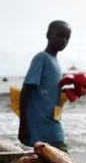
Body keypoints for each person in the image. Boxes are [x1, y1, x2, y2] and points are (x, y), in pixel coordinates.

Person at [18, 20, 71, 152]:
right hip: (40, 128)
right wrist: (23, 125)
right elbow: (26, 89)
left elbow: (47, 90)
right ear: (48, 35)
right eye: (60, 35)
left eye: (67, 37)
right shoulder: (42, 58)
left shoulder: (55, 61)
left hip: (52, 124)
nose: (64, 40)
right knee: (64, 162)